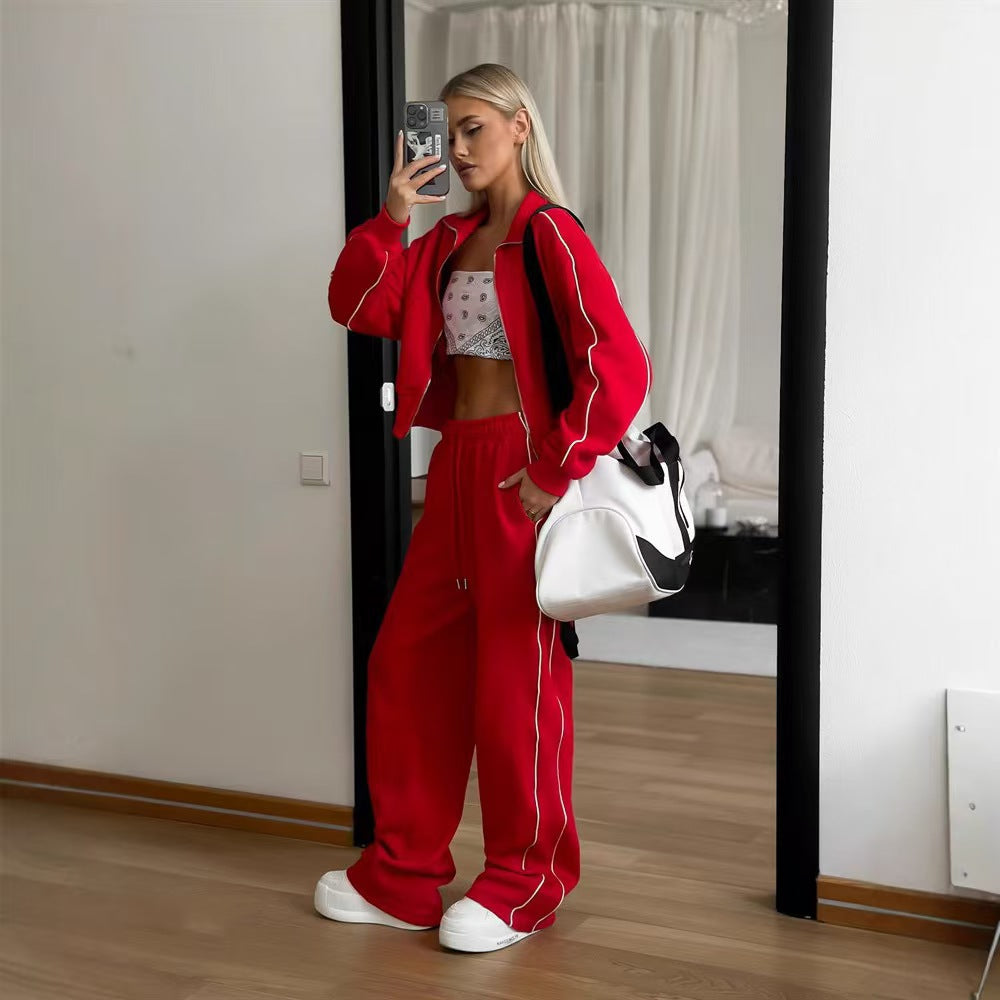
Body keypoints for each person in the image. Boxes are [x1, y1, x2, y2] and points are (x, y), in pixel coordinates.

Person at [315, 63, 650, 953]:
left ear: (519, 128)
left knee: (515, 683)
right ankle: (403, 876)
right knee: (409, 665)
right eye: (449, 131)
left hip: (518, 470)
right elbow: (356, 305)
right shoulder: (444, 241)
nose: (460, 148)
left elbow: (618, 363)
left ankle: (523, 883)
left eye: (476, 129)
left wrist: (554, 468)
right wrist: (393, 217)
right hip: (454, 466)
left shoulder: (551, 233)